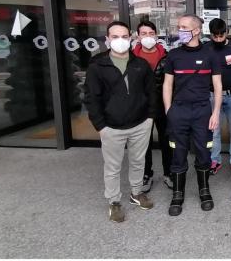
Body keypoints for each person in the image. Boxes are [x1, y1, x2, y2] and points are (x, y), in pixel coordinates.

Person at [84, 21, 156, 223]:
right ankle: (114, 202)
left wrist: (150, 117)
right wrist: (100, 125)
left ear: (131, 39)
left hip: (140, 124)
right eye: (115, 37)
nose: (120, 41)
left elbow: (151, 92)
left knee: (138, 162)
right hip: (111, 127)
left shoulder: (140, 64)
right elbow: (91, 98)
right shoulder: (97, 65)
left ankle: (136, 193)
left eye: (124, 37)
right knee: (112, 167)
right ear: (107, 40)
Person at [162, 14, 222, 216]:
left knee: (204, 151)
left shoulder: (211, 54)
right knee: (177, 152)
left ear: (196, 30)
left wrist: (215, 113)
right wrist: (169, 110)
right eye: (178, 27)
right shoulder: (173, 55)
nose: (180, 30)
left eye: (184, 27)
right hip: (179, 110)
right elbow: (167, 84)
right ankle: (177, 194)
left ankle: (204, 191)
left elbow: (218, 86)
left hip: (202, 111)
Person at [132, 19, 172, 192]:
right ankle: (146, 174)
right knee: (143, 143)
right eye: (143, 34)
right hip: (141, 107)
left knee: (167, 140)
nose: (147, 37)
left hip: (163, 105)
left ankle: (169, 173)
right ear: (137, 36)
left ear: (156, 35)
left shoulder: (167, 55)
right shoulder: (131, 57)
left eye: (150, 33)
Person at [205, 18, 231, 176]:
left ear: (226, 32)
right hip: (213, 95)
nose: (218, 39)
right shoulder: (206, 49)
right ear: (211, 34)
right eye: (215, 36)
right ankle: (215, 160)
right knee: (214, 131)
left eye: (221, 35)